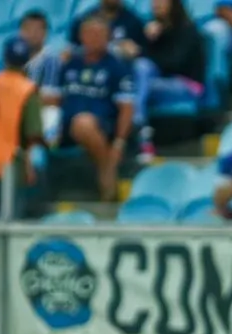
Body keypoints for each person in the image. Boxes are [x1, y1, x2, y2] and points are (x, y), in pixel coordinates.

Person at [58, 14, 135, 201]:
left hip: (101, 123)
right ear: (81, 36)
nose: (94, 38)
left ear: (108, 37)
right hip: (64, 125)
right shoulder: (69, 63)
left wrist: (119, 142)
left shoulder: (116, 66)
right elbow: (54, 97)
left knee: (83, 123)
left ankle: (105, 171)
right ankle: (108, 166)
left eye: (100, 34)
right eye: (89, 33)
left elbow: (126, 108)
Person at [0, 37, 44, 220]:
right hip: (12, 164)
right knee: (9, 219)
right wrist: (31, 165)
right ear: (27, 60)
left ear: (5, 58)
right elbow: (33, 133)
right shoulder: (27, 89)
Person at [134, 0, 207, 163]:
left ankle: (139, 133)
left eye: (162, 1)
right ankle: (139, 130)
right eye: (154, 1)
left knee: (139, 85)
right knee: (141, 69)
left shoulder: (187, 30)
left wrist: (143, 49)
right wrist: (147, 41)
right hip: (161, 83)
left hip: (187, 85)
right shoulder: (153, 29)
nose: (156, 4)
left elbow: (173, 64)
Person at [18, 11, 63, 145]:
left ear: (45, 33)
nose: (33, 34)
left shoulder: (51, 60)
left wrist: (19, 99)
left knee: (50, 113)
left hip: (40, 111)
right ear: (20, 32)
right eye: (28, 29)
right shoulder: (16, 58)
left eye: (38, 29)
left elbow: (52, 99)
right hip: (20, 108)